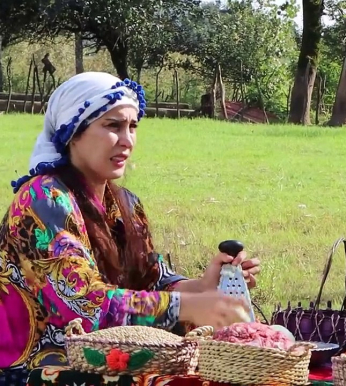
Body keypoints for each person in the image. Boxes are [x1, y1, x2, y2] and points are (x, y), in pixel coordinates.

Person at [0, 72, 262, 385]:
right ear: (73, 132)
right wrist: (187, 306)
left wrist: (204, 286)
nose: (127, 140)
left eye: (133, 126)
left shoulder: (124, 203)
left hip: (107, 360)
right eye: (113, 126)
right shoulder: (42, 199)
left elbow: (152, 281)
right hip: (34, 370)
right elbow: (87, 306)